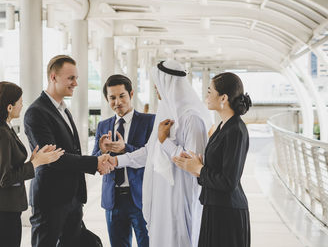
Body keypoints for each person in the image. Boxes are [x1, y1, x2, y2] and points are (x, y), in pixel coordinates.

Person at [108, 60, 212, 247]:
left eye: (158, 83)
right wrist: (117, 161)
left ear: (169, 83)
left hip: (181, 195)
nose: (156, 88)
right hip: (163, 194)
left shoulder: (192, 118)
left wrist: (165, 141)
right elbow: (150, 152)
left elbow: (194, 164)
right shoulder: (165, 113)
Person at [24, 55, 111, 247]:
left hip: (72, 198)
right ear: (53, 77)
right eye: (71, 78)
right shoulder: (36, 112)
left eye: (76, 78)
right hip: (50, 200)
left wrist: (97, 154)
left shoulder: (63, 110)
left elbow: (71, 151)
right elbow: (53, 158)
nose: (76, 83)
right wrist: (94, 163)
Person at [0, 81, 64, 247]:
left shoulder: (5, 129)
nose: (22, 105)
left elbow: (8, 168)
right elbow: (5, 178)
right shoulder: (0, 133)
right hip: (1, 212)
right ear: (9, 107)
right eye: (20, 101)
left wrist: (33, 160)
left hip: (6, 210)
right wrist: (35, 164)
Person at [172, 72, 252, 247]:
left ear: (223, 98)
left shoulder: (236, 130)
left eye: (209, 92)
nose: (206, 96)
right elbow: (217, 170)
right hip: (215, 207)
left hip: (227, 214)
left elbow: (228, 181)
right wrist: (197, 166)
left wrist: (200, 169)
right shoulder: (223, 126)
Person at [92, 74, 155, 247]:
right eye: (112, 98)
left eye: (122, 96)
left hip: (140, 198)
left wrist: (125, 148)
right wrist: (102, 150)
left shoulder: (149, 122)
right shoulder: (103, 125)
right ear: (107, 99)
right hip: (113, 200)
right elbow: (93, 160)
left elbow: (152, 156)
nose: (117, 102)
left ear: (131, 94)